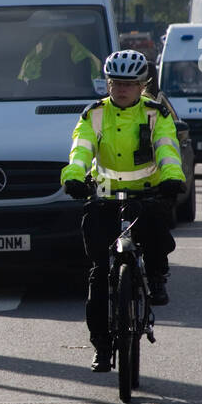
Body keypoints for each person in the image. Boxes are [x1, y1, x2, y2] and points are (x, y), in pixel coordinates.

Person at [60, 50, 185, 372]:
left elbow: (167, 148)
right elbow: (81, 149)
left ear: (143, 85)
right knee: (99, 273)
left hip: (147, 193)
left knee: (157, 229)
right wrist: (74, 178)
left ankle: (157, 275)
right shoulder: (94, 114)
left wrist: (172, 179)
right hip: (104, 195)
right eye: (115, 83)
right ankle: (102, 347)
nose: (121, 89)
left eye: (129, 84)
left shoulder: (156, 114)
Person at [19, 30, 102, 88]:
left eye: (65, 49)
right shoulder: (34, 88)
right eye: (57, 50)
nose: (61, 62)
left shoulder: (88, 86)